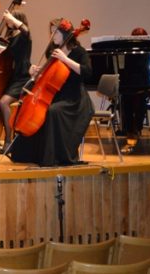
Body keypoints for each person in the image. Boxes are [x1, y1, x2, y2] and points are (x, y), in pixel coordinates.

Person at [8, 18, 94, 167]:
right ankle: (30, 154)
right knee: (38, 111)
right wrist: (36, 72)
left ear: (65, 33)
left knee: (53, 112)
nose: (52, 35)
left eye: (55, 32)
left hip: (75, 99)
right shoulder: (52, 51)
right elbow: (50, 76)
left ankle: (54, 157)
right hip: (56, 94)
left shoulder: (78, 52)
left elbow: (87, 72)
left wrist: (65, 59)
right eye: (51, 31)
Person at [0, 10, 32, 145]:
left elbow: (26, 30)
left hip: (22, 78)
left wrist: (12, 18)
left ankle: (8, 140)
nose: (7, 22)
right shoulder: (11, 37)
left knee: (3, 102)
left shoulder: (24, 37)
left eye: (10, 19)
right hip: (11, 78)